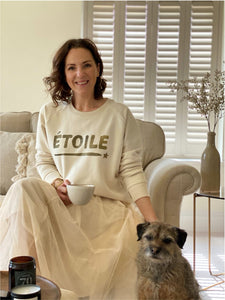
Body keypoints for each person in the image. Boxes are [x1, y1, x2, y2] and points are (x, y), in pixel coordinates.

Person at [0, 38, 158, 299]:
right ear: (64, 73)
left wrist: (153, 220)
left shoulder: (119, 115)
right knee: (23, 188)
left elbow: (132, 171)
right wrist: (57, 184)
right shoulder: (50, 114)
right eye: (71, 67)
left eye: (86, 65)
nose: (80, 73)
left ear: (97, 68)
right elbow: (44, 161)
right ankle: (20, 288)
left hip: (104, 213)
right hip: (62, 206)